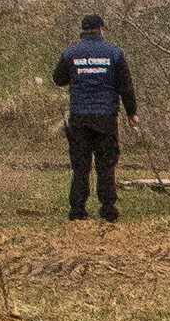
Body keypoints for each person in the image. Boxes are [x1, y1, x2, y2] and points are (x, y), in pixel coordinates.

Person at [53, 12, 138, 219]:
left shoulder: (71, 52)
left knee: (81, 167)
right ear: (101, 29)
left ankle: (77, 210)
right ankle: (108, 209)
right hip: (105, 117)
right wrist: (131, 112)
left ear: (82, 30)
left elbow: (58, 79)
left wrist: (79, 74)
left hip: (79, 117)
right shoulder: (114, 53)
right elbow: (125, 86)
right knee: (106, 165)